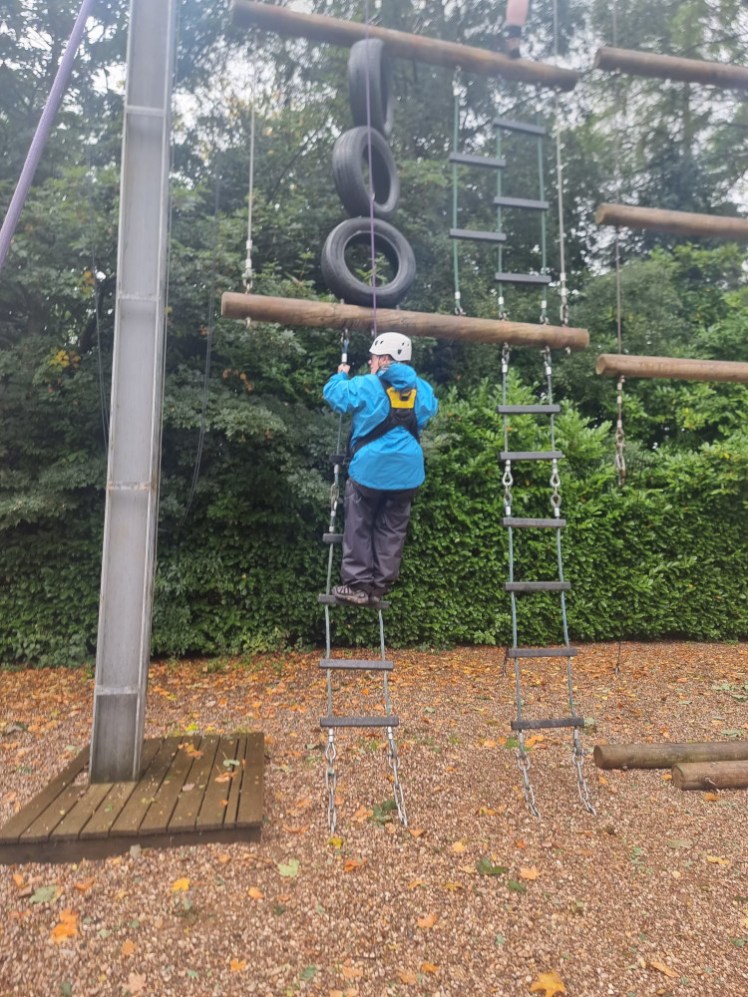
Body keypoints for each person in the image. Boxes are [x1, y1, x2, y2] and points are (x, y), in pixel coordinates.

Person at [323, 331, 438, 607]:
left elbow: (334, 395)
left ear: (386, 359)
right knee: (393, 529)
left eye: (374, 358)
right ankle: (379, 587)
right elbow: (429, 411)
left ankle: (358, 586)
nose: (370, 363)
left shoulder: (367, 385)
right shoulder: (422, 389)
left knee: (359, 524)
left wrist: (340, 375)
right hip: (407, 475)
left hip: (369, 473)